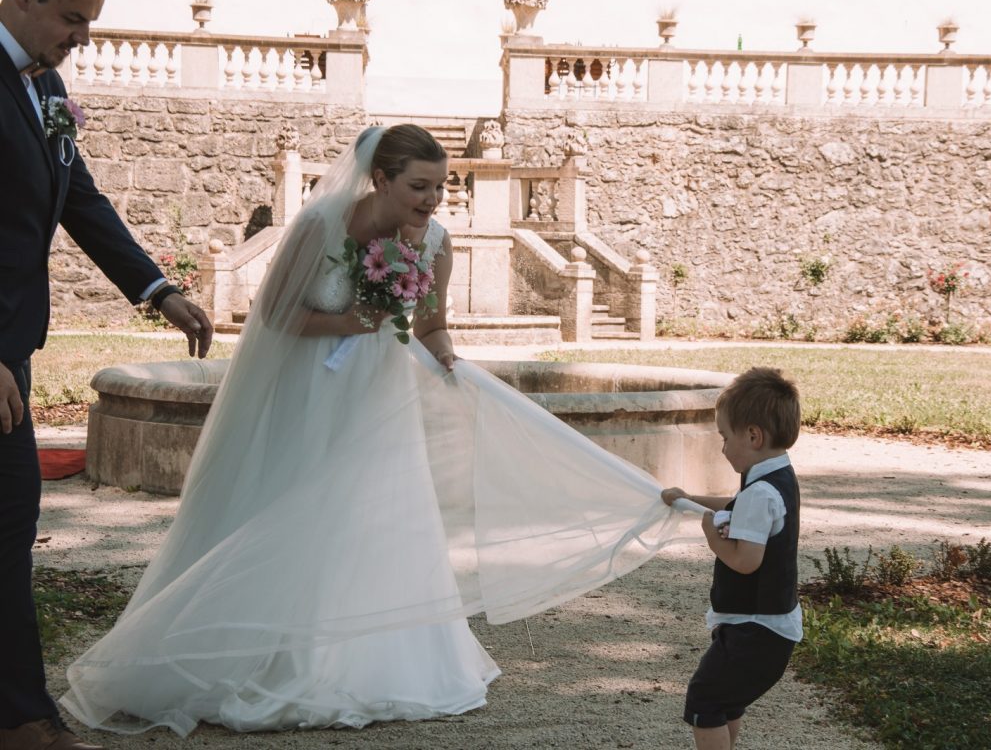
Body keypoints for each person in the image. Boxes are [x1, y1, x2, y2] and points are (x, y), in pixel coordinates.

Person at [61, 124, 688, 737]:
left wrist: (445, 356)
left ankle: (366, 659)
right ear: (381, 178)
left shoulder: (434, 240)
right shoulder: (320, 225)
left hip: (379, 394)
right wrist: (355, 321)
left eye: (440, 187)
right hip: (309, 388)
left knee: (374, 510)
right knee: (300, 503)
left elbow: (431, 323)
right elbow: (276, 315)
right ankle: (268, 651)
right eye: (419, 186)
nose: (432, 200)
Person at [0, 0, 214, 748]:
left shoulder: (46, 85)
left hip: (13, 350)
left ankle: (21, 711)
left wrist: (160, 290)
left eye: (91, 20)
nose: (83, 37)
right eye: (71, 17)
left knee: (9, 524)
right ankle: (22, 717)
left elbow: (77, 198)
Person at [660, 367, 803, 750]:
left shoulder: (760, 493)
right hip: (765, 627)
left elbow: (745, 561)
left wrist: (712, 537)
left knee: (704, 700)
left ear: (753, 435)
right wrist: (688, 499)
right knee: (726, 700)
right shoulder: (776, 476)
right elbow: (734, 505)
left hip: (755, 630)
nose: (722, 448)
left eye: (725, 437)